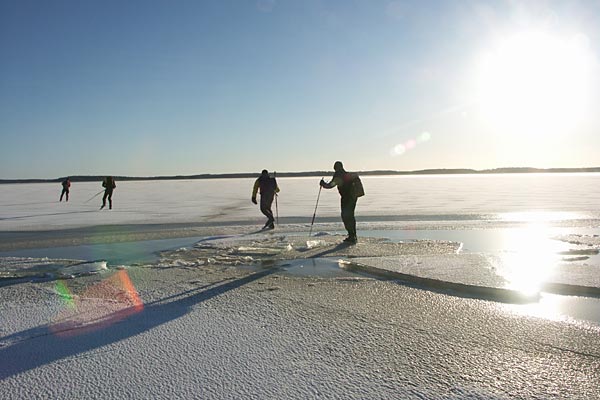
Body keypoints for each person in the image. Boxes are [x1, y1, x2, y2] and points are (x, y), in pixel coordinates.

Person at [320, 161, 363, 244]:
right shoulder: (346, 174)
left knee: (346, 216)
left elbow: (331, 185)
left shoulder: (338, 175)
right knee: (350, 216)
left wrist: (323, 184)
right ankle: (353, 235)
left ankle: (352, 236)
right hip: (353, 197)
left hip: (346, 198)